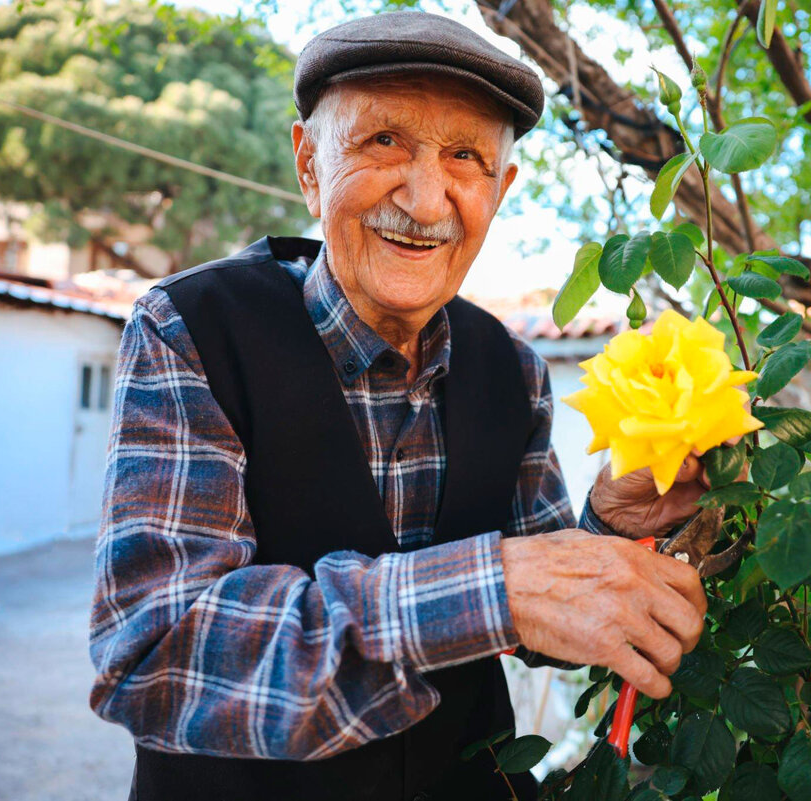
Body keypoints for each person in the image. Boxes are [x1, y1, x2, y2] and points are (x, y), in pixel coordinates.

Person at [88, 11, 718, 801]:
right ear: (309, 163)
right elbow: (156, 653)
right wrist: (491, 589)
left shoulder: (514, 369)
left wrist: (611, 526)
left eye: (465, 158)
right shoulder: (191, 329)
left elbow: (544, 620)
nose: (424, 202)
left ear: (500, 191)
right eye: (383, 141)